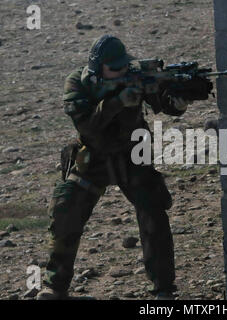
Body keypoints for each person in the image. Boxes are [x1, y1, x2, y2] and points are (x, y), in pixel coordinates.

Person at [36, 35, 192, 300]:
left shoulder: (136, 75)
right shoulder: (78, 82)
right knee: (65, 210)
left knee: (152, 211)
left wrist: (177, 101)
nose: (121, 70)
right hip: (93, 157)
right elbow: (87, 126)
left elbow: (162, 101)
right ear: (98, 67)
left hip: (133, 155)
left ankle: (163, 290)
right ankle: (55, 286)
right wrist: (117, 102)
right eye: (114, 67)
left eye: (123, 65)